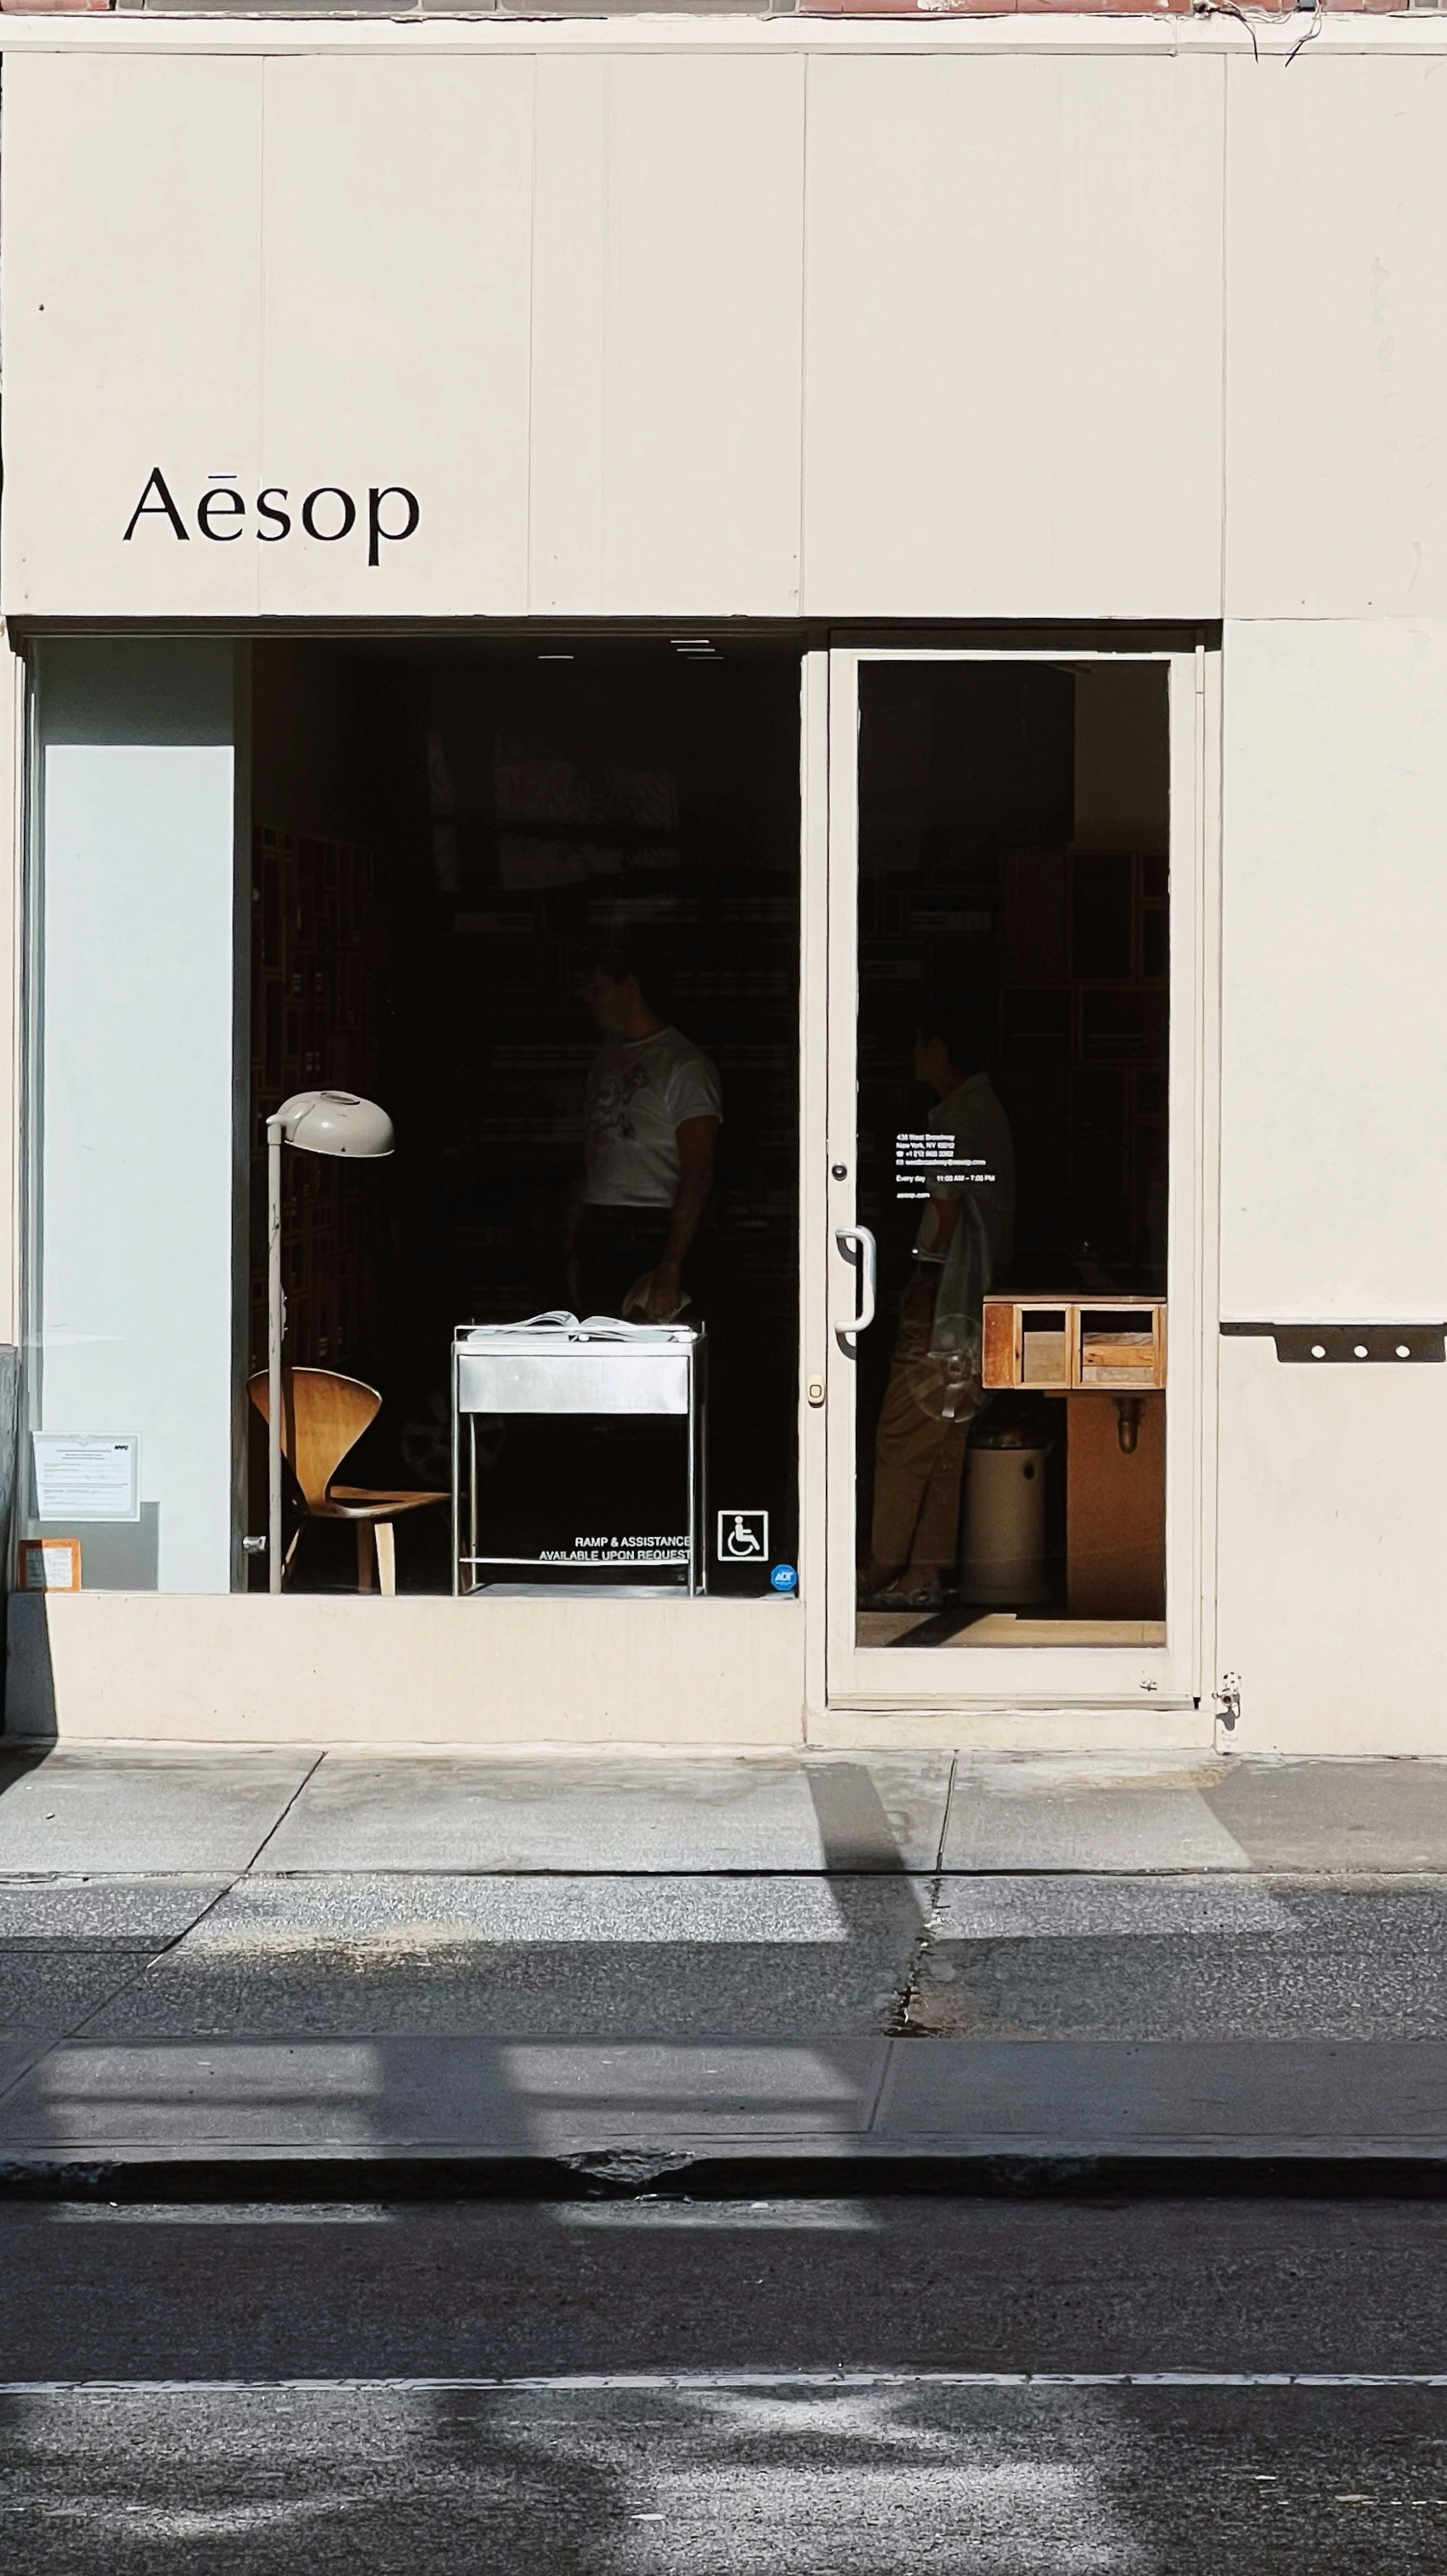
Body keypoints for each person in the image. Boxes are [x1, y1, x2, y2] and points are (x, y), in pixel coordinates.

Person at [863, 998, 1015, 1609]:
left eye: (923, 1042)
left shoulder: (949, 1120)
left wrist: (918, 1267)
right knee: (946, 1436)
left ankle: (881, 1565)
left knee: (902, 1431)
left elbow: (945, 1216)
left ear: (941, 1049)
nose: (915, 1054)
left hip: (942, 1289)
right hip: (979, 1294)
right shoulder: (991, 1112)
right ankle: (924, 1568)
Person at [570, 940, 723, 1324]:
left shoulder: (683, 1065)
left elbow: (697, 1169)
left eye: (599, 988)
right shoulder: (606, 1060)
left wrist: (671, 1264)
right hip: (600, 1227)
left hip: (649, 1231)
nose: (591, 1000)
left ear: (630, 987)